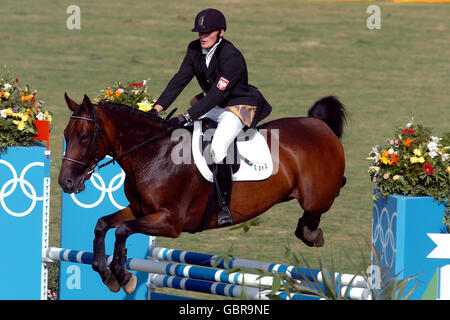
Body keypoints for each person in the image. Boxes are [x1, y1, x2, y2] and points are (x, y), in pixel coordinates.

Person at [154, 8, 272, 226]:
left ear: (221, 33)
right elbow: (180, 79)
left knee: (218, 148)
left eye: (207, 32)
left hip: (239, 105)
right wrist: (157, 108)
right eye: (199, 32)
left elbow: (218, 93)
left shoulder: (232, 57)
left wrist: (186, 117)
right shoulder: (194, 49)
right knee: (192, 124)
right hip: (217, 103)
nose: (202, 36)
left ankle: (224, 205)